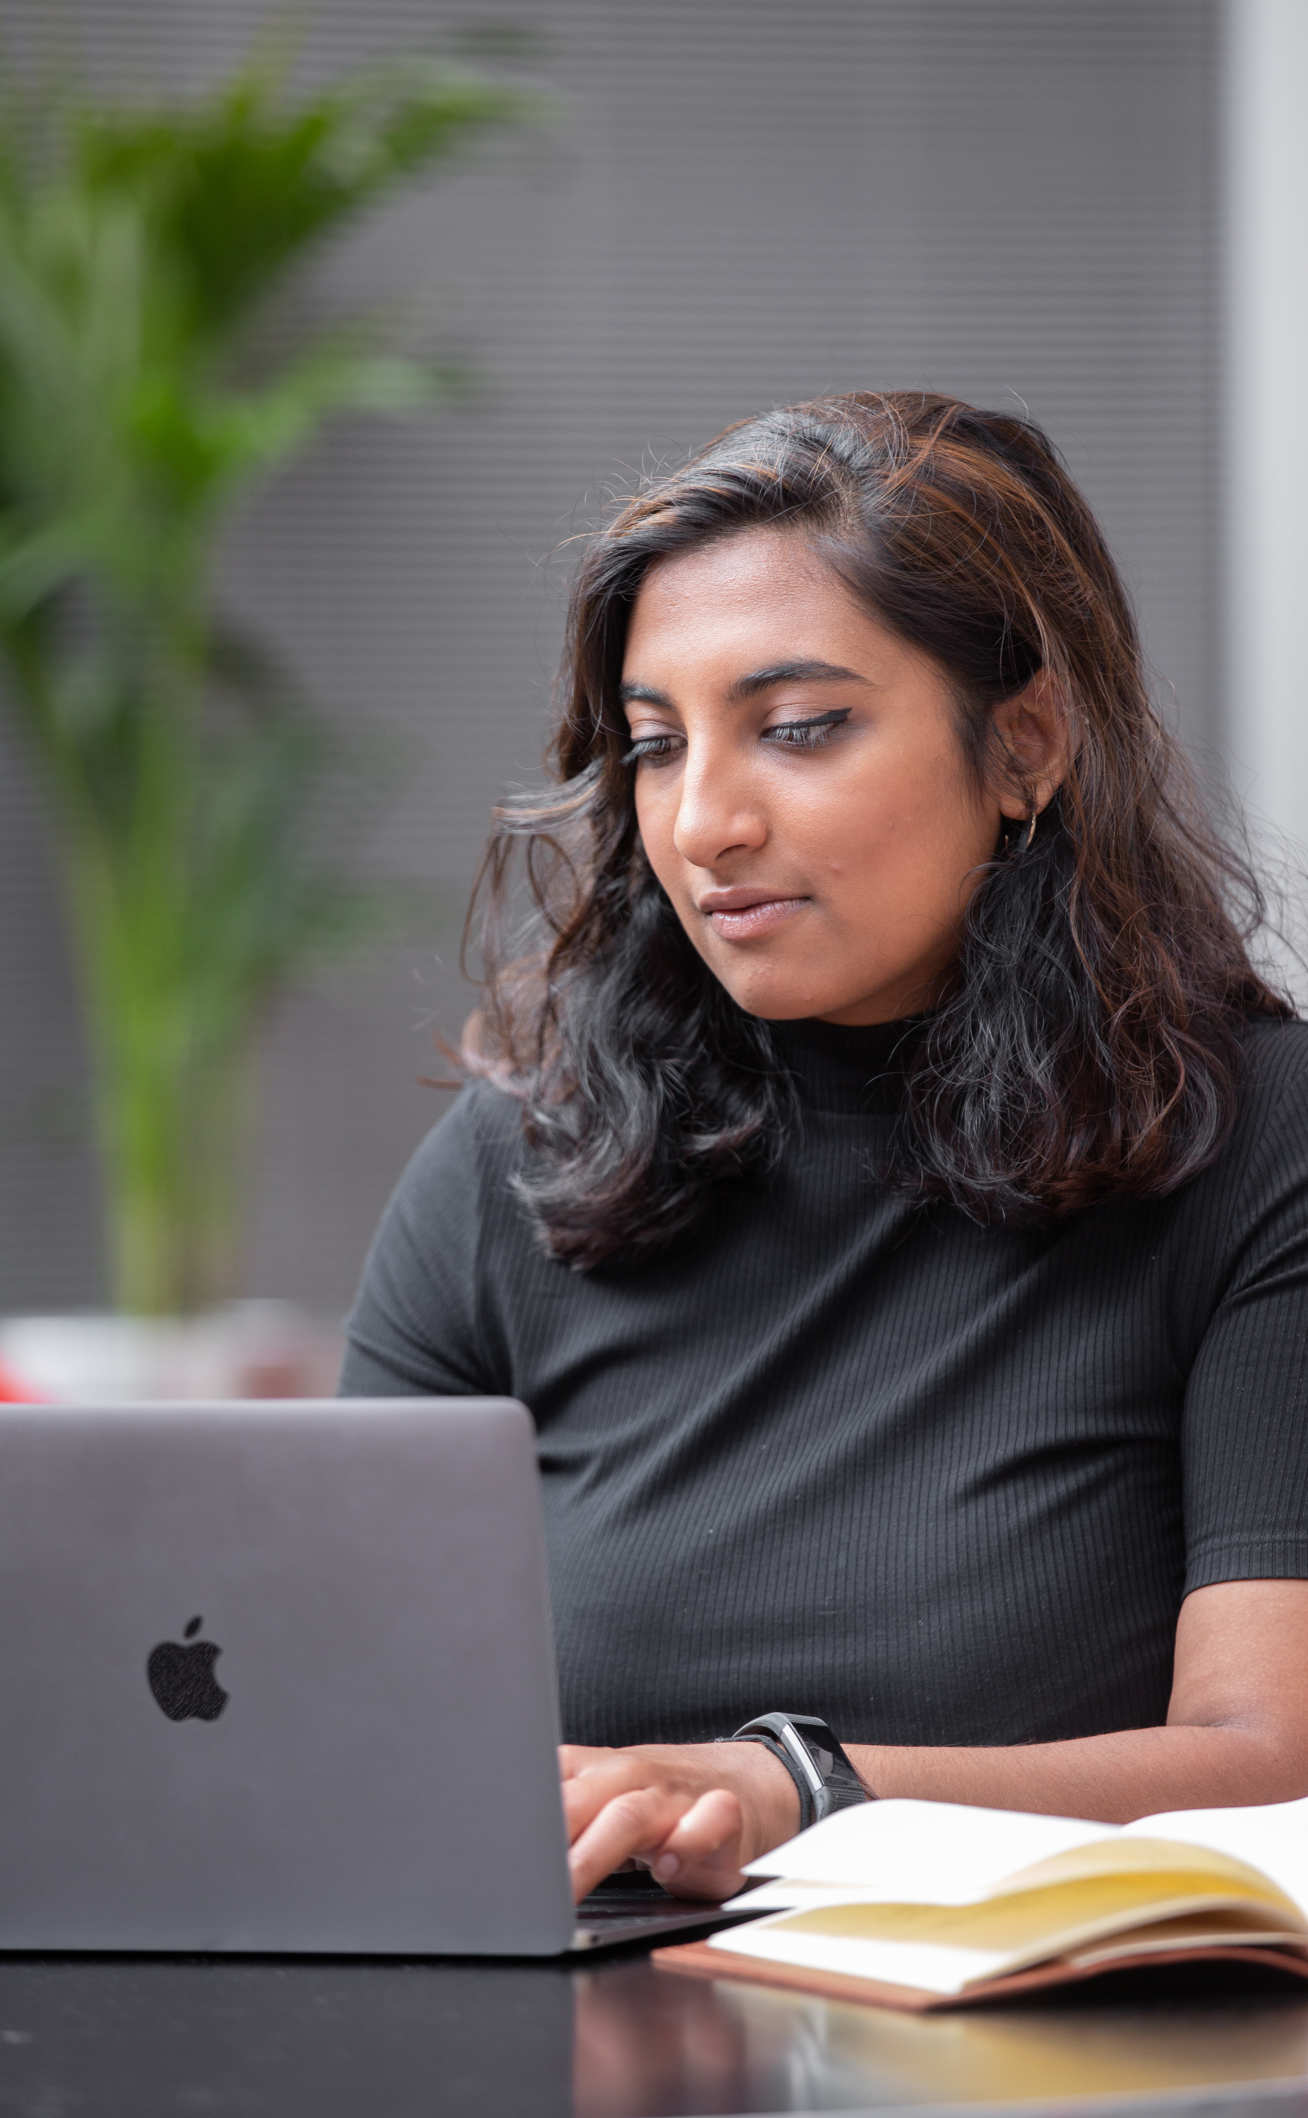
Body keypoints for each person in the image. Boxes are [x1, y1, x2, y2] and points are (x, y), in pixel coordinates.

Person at [340, 390, 1308, 1907]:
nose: (706, 818)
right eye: (657, 748)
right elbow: (318, 1722)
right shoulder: (519, 1159)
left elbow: (1272, 1765)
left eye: (799, 728)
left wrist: (798, 1784)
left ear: (1026, 742)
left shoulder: (1256, 1142)